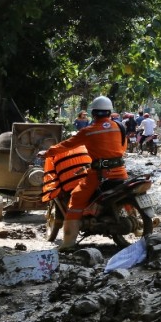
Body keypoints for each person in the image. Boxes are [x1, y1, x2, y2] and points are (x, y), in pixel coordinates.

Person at [43, 95, 128, 249]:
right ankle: (136, 222)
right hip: (120, 172)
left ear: (93, 113)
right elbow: (122, 148)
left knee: (76, 197)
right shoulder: (120, 127)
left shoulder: (88, 131)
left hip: (100, 175)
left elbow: (66, 145)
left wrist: (47, 153)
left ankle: (68, 242)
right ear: (110, 112)